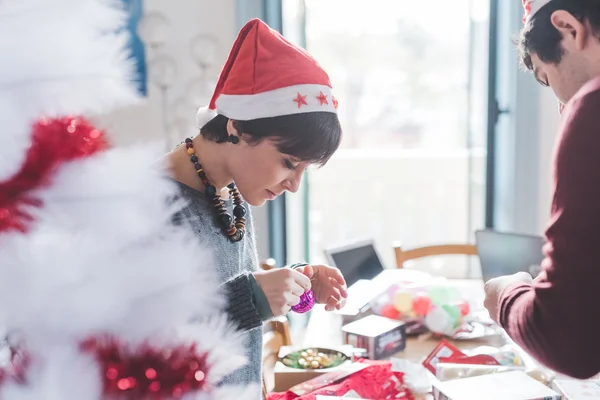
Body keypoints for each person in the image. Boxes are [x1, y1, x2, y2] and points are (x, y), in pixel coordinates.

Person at [165, 18, 348, 393]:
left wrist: (298, 282)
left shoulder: (229, 190)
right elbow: (136, 346)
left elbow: (221, 302)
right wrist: (252, 298)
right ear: (238, 128)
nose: (294, 186)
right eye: (289, 162)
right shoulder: (151, 204)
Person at [484, 0, 600, 379]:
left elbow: (568, 340)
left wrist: (506, 294)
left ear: (569, 27)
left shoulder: (592, 109)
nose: (562, 104)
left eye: (548, 79)